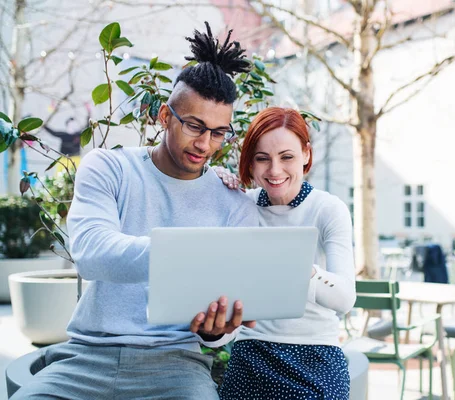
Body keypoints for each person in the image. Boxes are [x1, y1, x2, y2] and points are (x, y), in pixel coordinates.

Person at [12, 23, 258, 400]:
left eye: (219, 132)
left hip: (177, 364)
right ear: (164, 117)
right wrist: (194, 254)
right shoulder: (108, 168)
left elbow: (228, 313)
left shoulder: (233, 201)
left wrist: (217, 331)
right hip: (85, 357)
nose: (206, 144)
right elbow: (93, 254)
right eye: (194, 126)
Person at [208, 107, 356, 400]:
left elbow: (345, 298)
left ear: (306, 155)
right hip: (253, 349)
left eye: (286, 157)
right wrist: (212, 188)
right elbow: (221, 299)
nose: (275, 171)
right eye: (262, 159)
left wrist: (296, 265)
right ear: (250, 164)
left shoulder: (328, 209)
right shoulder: (241, 206)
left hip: (317, 353)